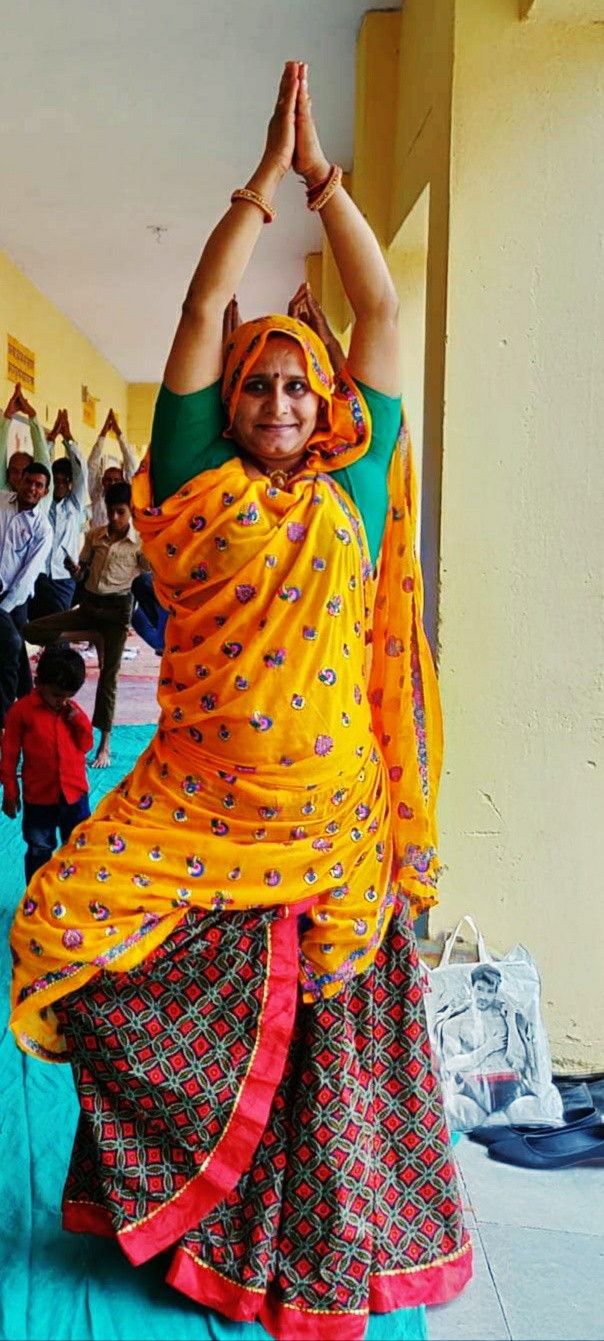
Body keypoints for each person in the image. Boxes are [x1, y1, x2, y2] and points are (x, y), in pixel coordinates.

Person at [9, 63, 471, 1339]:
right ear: (230, 404)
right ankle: (178, 1216)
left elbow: (378, 305)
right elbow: (209, 298)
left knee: (322, 1066)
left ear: (330, 410)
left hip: (330, 821)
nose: (275, 399)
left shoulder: (355, 490)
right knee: (55, 927)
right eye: (257, 382)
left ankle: (290, 1258)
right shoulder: (194, 477)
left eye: (296, 386)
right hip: (198, 800)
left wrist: (327, 182)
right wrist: (257, 191)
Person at [23, 480, 149, 769]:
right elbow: (82, 577)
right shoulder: (95, 536)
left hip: (117, 612)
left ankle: (104, 743)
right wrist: (75, 571)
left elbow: (152, 574)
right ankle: (88, 635)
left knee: (109, 677)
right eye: (111, 511)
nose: (115, 518)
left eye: (120, 512)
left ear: (130, 511)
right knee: (31, 630)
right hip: (89, 606)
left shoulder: (140, 544)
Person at [1, 645, 92, 882]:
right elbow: (9, 754)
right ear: (38, 682)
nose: (61, 702)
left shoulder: (71, 711)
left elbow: (86, 745)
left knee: (78, 847)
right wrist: (10, 791)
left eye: (68, 696)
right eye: (56, 695)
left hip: (74, 794)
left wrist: (79, 721)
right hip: (39, 798)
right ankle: (35, 899)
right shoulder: (21, 711)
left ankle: (73, 895)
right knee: (40, 848)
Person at [438, 964, 538, 1129]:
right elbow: (451, 1063)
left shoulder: (506, 1018)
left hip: (511, 1085)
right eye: (480, 989)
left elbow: (519, 1061)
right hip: (473, 1091)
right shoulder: (455, 1023)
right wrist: (488, 1048)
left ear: (497, 992)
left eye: (490, 991)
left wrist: (511, 1022)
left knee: (529, 1114)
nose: (484, 996)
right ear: (471, 988)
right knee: (454, 1111)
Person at [0, 461, 52, 729]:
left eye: (38, 485)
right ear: (19, 480)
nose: (32, 488)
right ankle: (25, 704)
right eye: (28, 481)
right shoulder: (0, 502)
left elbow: (27, 576)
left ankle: (7, 717)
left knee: (11, 644)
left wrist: (4, 607)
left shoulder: (42, 528)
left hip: (13, 598)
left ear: (44, 492)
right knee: (12, 650)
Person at [28, 409, 88, 620]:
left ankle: (57, 653)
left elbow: (82, 472)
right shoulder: (42, 503)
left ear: (71, 485)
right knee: (40, 624)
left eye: (65, 481)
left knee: (59, 625)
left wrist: (68, 440)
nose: (60, 485)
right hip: (40, 574)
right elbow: (42, 464)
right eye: (56, 480)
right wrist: (51, 439)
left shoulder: (74, 505)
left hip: (63, 578)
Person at [86, 408, 139, 528]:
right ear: (102, 481)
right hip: (99, 543)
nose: (112, 483)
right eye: (108, 480)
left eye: (116, 480)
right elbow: (92, 465)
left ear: (123, 481)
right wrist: (103, 433)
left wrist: (119, 433)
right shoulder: (97, 494)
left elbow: (131, 462)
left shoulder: (129, 496)